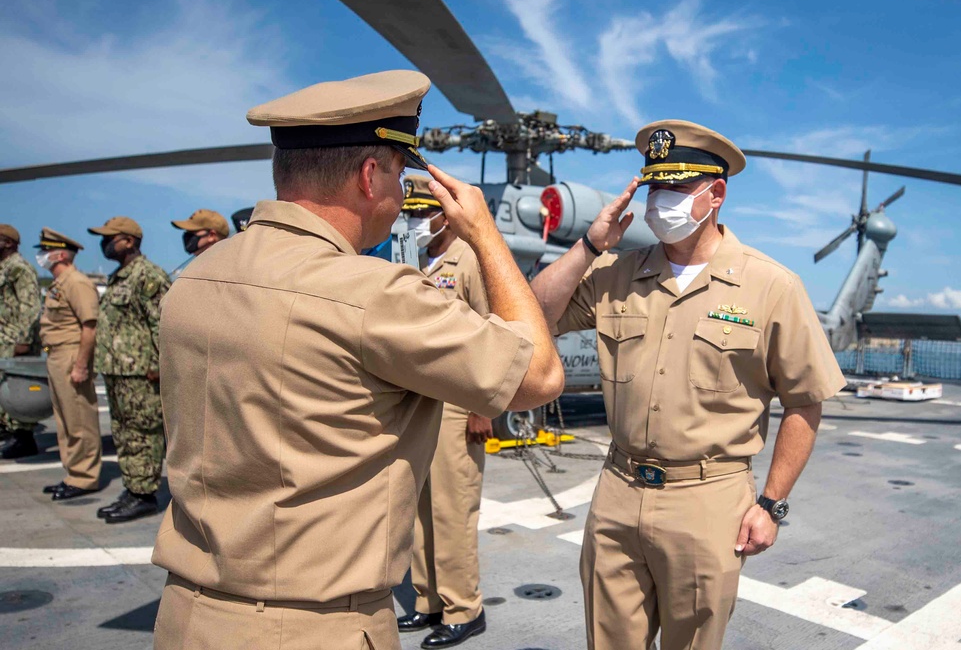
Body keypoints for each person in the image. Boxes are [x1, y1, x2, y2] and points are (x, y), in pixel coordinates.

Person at [149, 70, 563, 650]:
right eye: (399, 175)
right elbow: (540, 375)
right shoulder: (375, 294)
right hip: (309, 629)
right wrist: (485, 234)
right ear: (371, 176)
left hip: (187, 617)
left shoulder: (193, 280)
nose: (402, 202)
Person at [530, 120, 846, 650]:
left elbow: (804, 403)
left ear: (715, 194)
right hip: (617, 489)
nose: (659, 202)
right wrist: (588, 245)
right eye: (655, 188)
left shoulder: (771, 286)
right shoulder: (618, 273)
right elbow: (535, 313)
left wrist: (770, 505)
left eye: (674, 188)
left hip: (709, 498)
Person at [397, 175, 495, 648]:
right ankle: (427, 600)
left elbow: (491, 332)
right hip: (418, 406)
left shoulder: (469, 261)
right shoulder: (413, 262)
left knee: (453, 511)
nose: (414, 222)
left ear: (445, 213)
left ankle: (464, 608)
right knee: (419, 508)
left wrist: (483, 406)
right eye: (409, 213)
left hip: (458, 406)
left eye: (421, 213)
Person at [88, 216, 171, 523]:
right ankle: (133, 488)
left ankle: (144, 494)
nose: (105, 244)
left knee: (143, 433)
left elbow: (162, 323)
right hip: (119, 370)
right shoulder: (119, 276)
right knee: (123, 433)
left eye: (111, 238)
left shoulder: (148, 275)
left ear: (129, 241)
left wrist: (158, 364)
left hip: (141, 373)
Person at [34, 228, 102, 500]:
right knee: (65, 419)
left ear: (60, 253)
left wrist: (81, 365)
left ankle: (85, 477)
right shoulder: (60, 283)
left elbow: (89, 326)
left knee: (79, 419)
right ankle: (73, 472)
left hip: (71, 355)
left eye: (45, 250)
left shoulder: (77, 283)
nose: (41, 255)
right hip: (56, 354)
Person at [0, 224, 42, 459]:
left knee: (18, 391)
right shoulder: (4, 268)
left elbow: (30, 307)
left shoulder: (19, 268)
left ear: (9, 243)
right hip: (4, 342)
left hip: (14, 342)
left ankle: (22, 438)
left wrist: (23, 340)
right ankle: (9, 433)